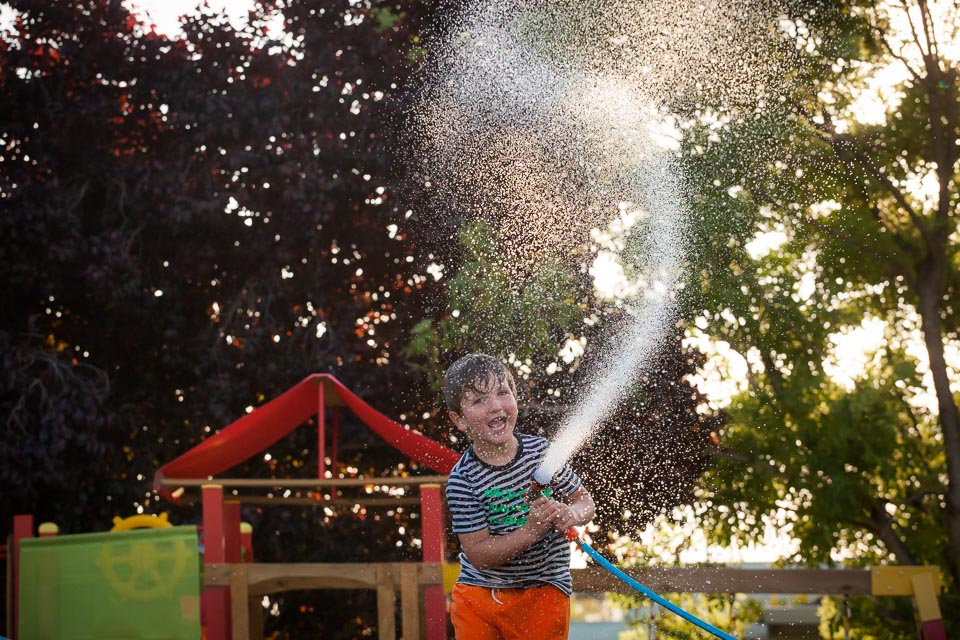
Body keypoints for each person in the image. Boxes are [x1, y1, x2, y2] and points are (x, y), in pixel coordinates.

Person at [443, 353, 596, 640]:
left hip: (543, 589)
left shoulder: (542, 455)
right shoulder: (463, 480)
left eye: (502, 393)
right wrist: (530, 531)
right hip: (480, 594)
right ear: (459, 420)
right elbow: (478, 555)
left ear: (515, 396)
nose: (496, 406)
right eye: (479, 400)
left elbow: (585, 503)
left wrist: (570, 514)